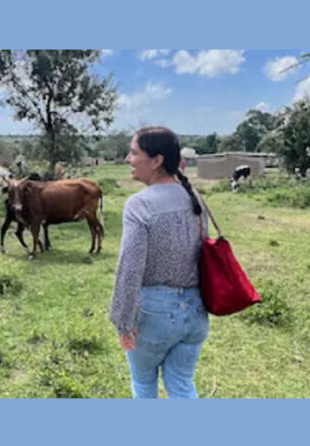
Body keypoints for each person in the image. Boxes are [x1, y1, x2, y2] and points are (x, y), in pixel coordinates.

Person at [110, 126, 209, 398]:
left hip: (154, 314)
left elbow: (130, 268)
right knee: (182, 385)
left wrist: (123, 321)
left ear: (157, 161)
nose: (128, 159)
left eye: (133, 153)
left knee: (143, 385)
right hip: (195, 313)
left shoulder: (139, 205)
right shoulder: (195, 197)